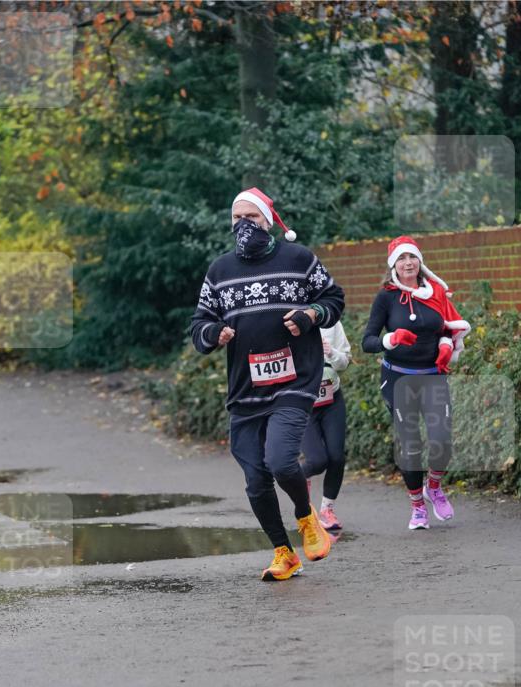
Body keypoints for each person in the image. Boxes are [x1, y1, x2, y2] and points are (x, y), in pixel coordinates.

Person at [190, 187, 346, 580]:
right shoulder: (219, 270)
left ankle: (306, 516)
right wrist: (214, 334)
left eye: (251, 218)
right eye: (236, 220)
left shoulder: (298, 258)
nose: (243, 226)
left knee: (279, 461)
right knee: (256, 480)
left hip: (295, 381)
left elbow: (333, 299)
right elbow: (198, 325)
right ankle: (284, 552)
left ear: (268, 221)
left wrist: (310, 314)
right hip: (245, 391)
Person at [362, 235, 470, 530]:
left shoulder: (435, 291)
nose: (408, 263)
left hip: (432, 375)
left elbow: (449, 327)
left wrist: (447, 345)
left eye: (412, 257)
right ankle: (417, 507)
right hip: (398, 378)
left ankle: (433, 487)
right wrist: (391, 339)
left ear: (419, 262)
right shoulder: (386, 297)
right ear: (393, 265)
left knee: (442, 441)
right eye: (401, 258)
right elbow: (367, 341)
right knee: (410, 445)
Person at [301, 320, 352, 531]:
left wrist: (331, 353)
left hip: (332, 400)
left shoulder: (331, 323)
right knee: (317, 460)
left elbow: (345, 361)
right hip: (302, 403)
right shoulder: (285, 321)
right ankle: (302, 502)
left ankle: (326, 511)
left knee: (337, 457)